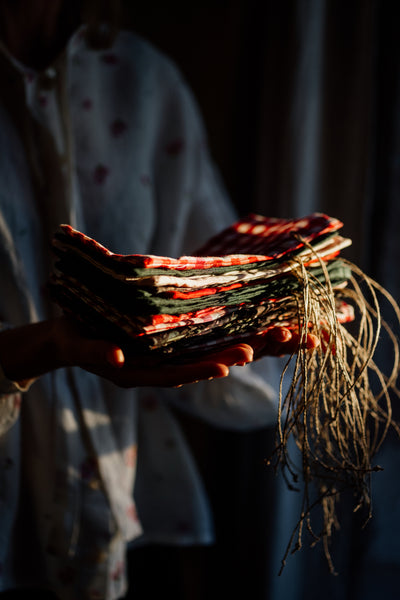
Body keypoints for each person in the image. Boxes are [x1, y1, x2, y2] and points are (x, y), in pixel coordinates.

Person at [0, 1, 318, 598]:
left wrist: (251, 308)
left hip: (115, 510)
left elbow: (204, 260)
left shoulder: (140, 80)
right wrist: (30, 349)